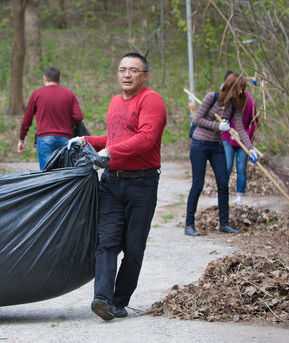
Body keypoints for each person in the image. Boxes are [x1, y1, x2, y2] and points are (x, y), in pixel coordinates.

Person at [67, 52, 167, 321]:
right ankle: (102, 299)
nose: (126, 74)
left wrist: (110, 150)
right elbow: (114, 138)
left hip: (142, 184)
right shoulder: (114, 102)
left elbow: (146, 139)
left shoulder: (151, 101)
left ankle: (120, 301)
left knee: (133, 249)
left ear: (144, 75)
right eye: (122, 69)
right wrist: (86, 140)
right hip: (111, 182)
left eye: (133, 70)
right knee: (106, 242)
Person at [184, 72, 258, 237]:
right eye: (239, 89)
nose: (241, 93)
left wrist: (250, 148)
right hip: (200, 144)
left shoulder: (234, 106)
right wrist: (218, 126)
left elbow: (239, 129)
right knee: (198, 184)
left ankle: (224, 224)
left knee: (223, 183)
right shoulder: (212, 97)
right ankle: (189, 224)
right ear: (231, 87)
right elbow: (197, 119)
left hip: (217, 146)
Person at [17, 66, 84, 169]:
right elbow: (78, 117)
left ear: (44, 78)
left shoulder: (37, 95)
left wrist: (21, 139)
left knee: (47, 176)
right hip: (65, 139)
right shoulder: (69, 95)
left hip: (45, 140)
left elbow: (27, 120)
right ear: (59, 79)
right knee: (64, 174)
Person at [221, 71, 259, 206]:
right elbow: (223, 118)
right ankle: (222, 193)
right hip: (228, 138)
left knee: (241, 168)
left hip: (244, 140)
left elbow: (254, 122)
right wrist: (228, 130)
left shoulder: (249, 102)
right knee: (227, 166)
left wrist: (248, 142)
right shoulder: (227, 100)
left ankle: (239, 197)